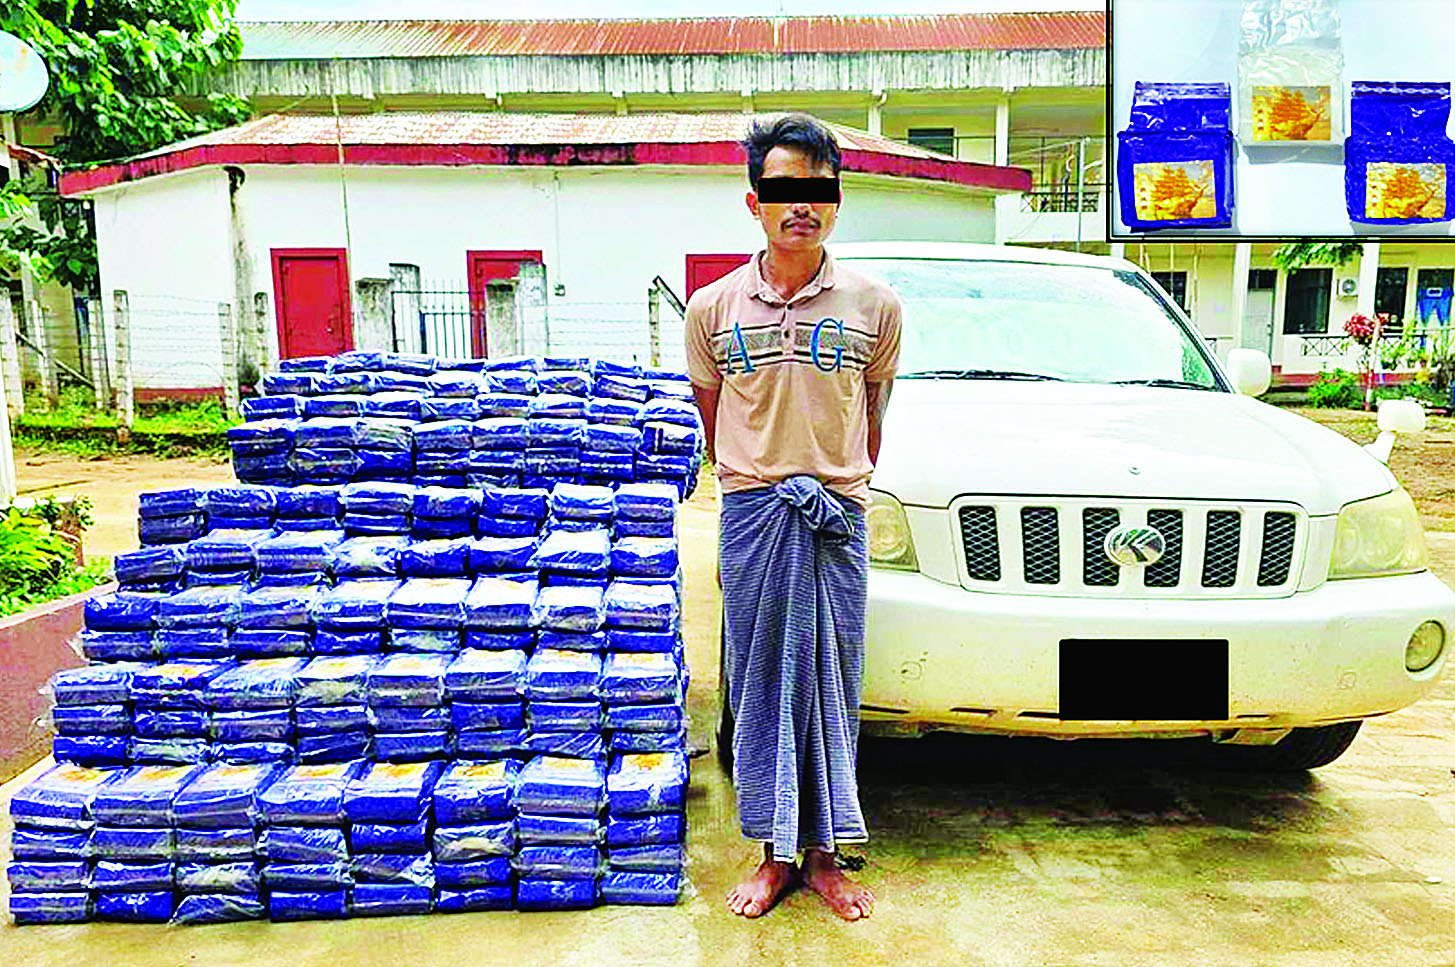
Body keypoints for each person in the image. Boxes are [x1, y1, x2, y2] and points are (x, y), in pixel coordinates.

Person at [684, 113, 902, 921]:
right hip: (754, 515)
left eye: (816, 188)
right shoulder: (711, 308)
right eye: (783, 188)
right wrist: (758, 485)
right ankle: (772, 853)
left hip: (836, 518)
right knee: (760, 684)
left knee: (831, 685)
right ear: (755, 202)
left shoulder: (875, 306)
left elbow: (870, 419)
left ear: (835, 201)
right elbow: (715, 423)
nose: (800, 204)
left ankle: (824, 855)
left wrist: (835, 482)